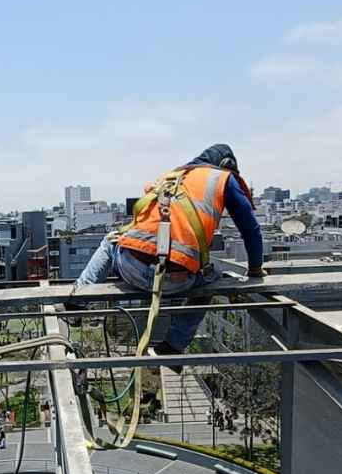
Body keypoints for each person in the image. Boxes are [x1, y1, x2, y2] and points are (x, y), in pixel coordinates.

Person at [73, 144, 265, 356]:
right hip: (176, 280)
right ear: (226, 164)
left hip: (131, 268)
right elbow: (251, 229)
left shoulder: (172, 177)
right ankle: (173, 346)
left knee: (110, 242)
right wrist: (255, 270)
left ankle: (76, 304)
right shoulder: (222, 178)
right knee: (213, 279)